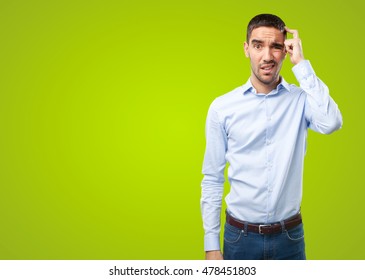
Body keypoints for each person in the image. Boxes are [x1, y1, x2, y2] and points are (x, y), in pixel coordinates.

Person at [200, 13, 342, 260]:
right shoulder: (222, 107)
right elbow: (212, 178)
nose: (267, 56)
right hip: (239, 237)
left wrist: (302, 65)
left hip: (289, 237)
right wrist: (211, 245)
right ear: (246, 49)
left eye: (276, 47)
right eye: (258, 46)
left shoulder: (301, 100)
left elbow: (331, 123)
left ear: (285, 51)